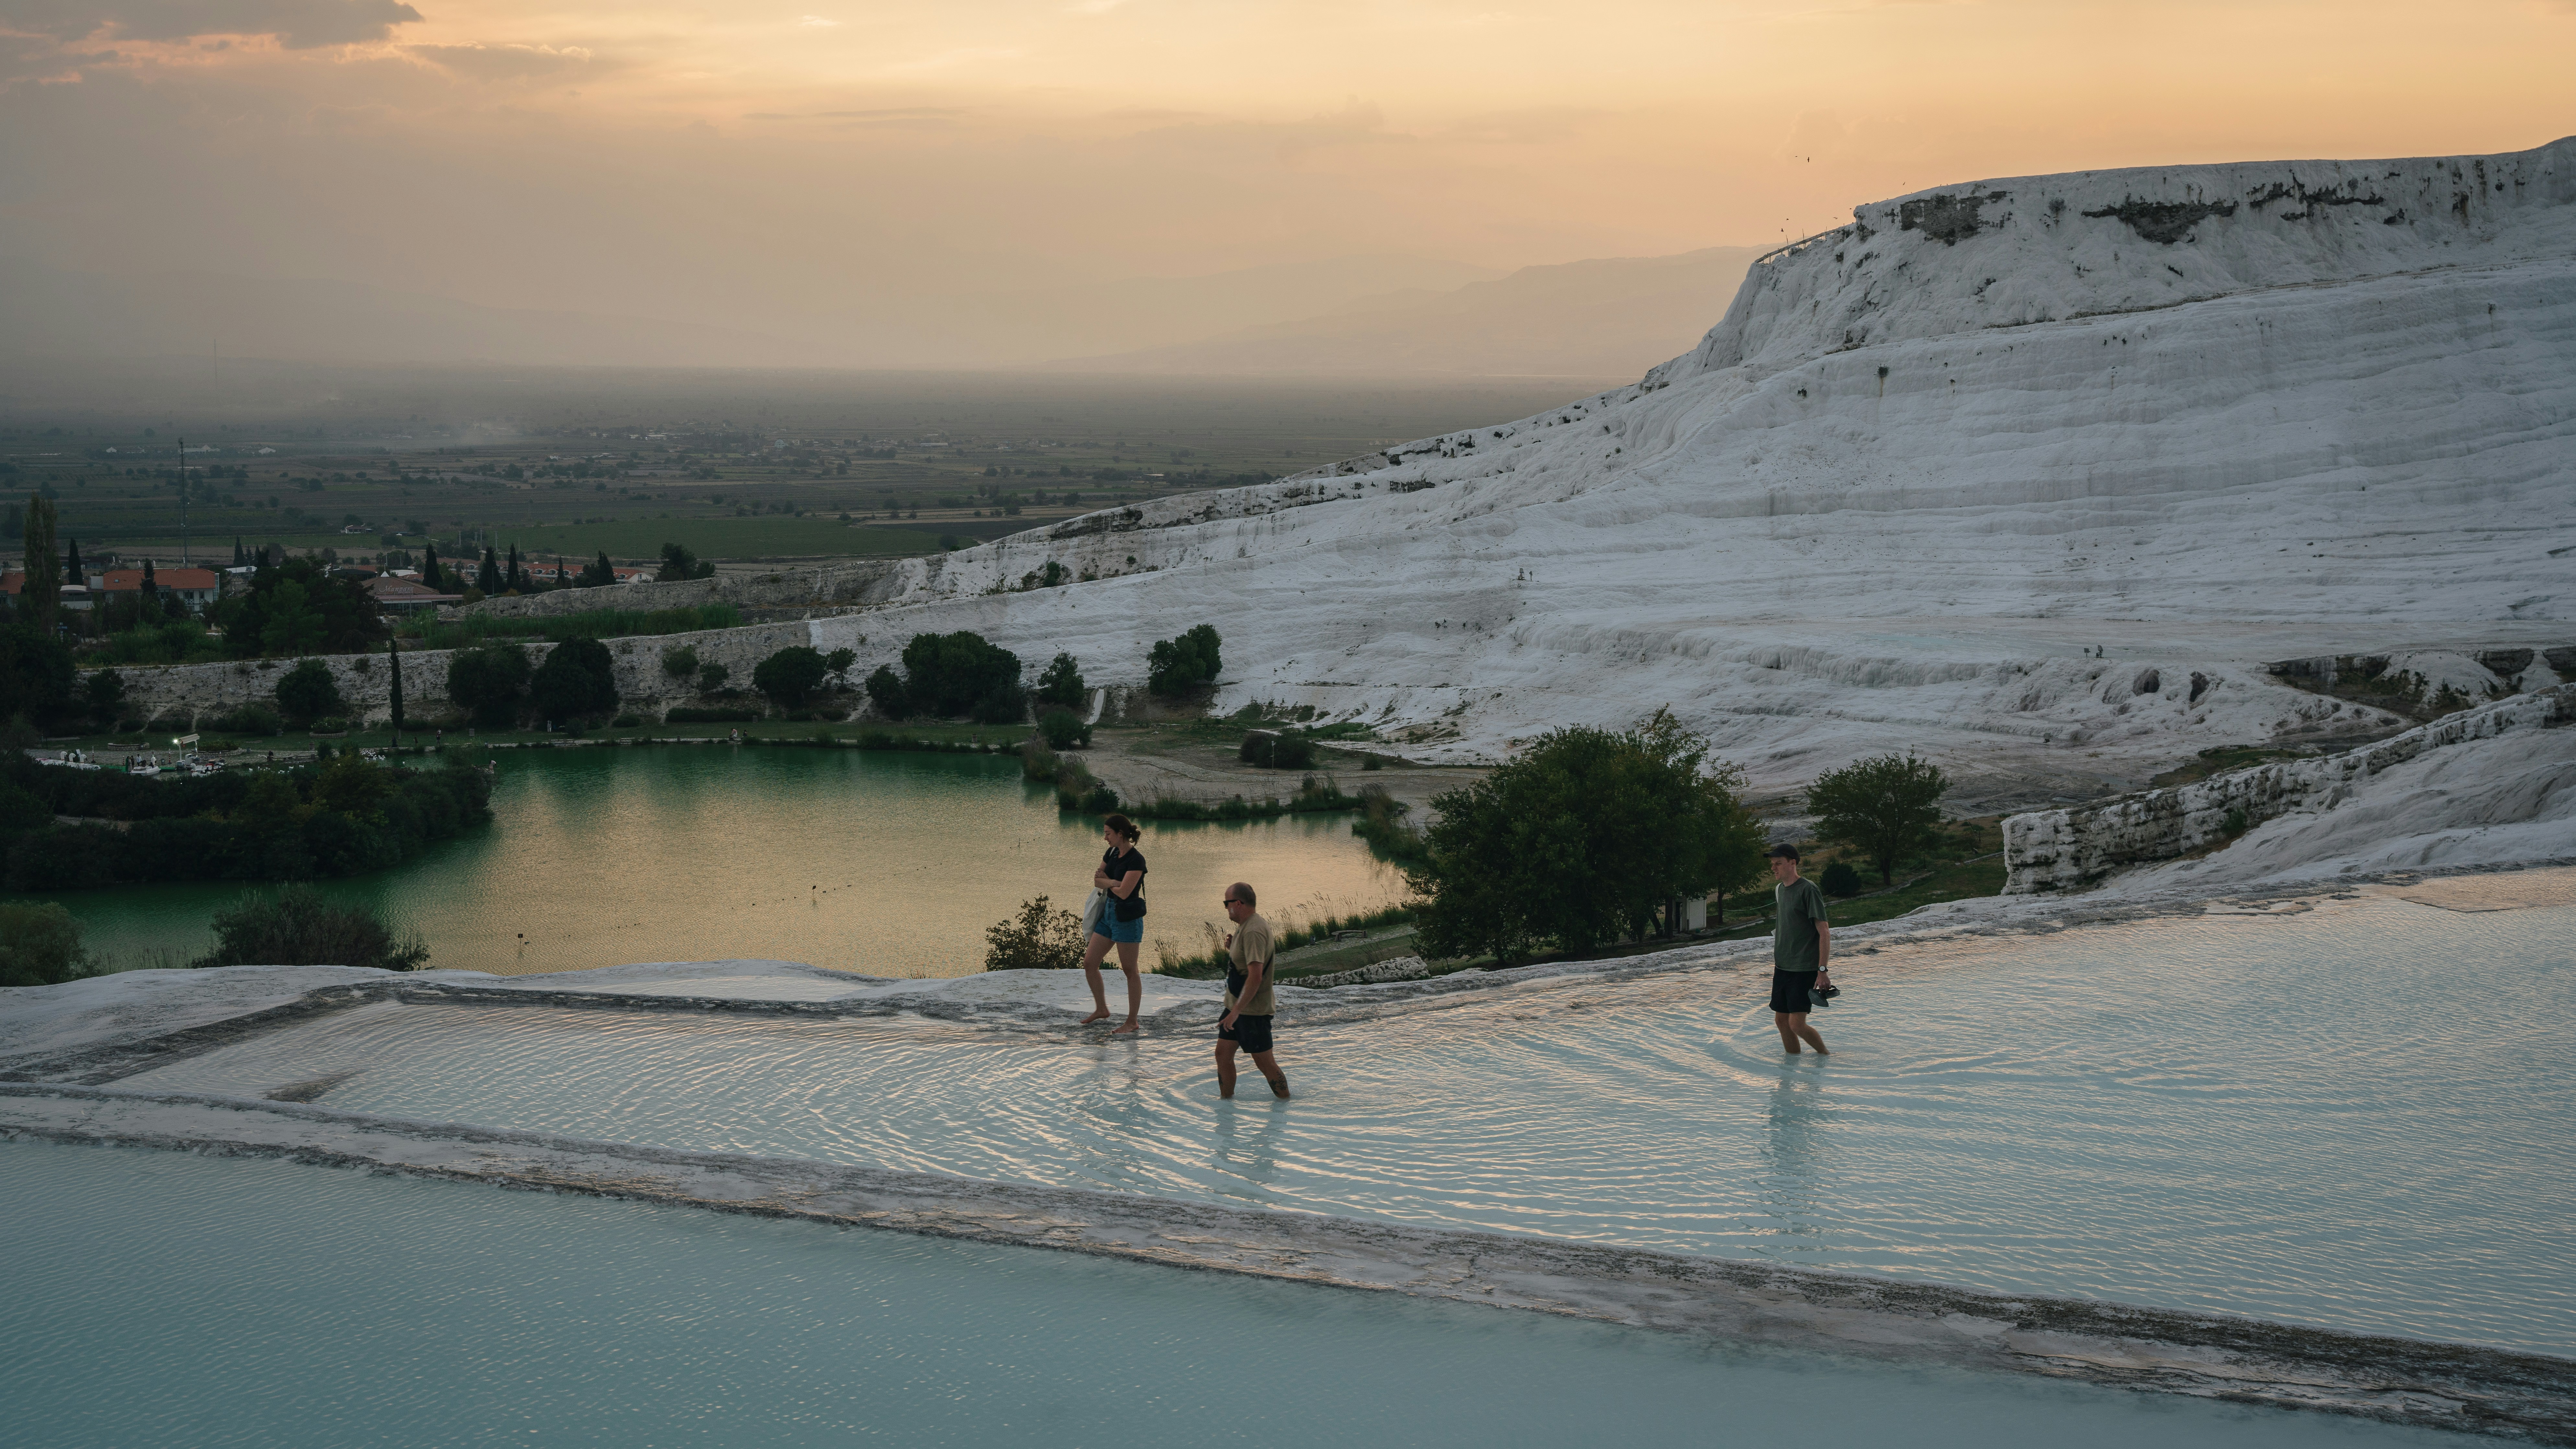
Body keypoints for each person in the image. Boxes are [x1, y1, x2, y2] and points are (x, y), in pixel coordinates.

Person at [1215, 882, 1290, 1099]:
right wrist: (1233, 949)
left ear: (1238, 903)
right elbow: (1245, 963)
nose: (1225, 907)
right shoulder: (1245, 926)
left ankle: (1285, 1104)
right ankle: (1226, 1104)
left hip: (1252, 1011)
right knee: (1222, 1055)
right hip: (1236, 1008)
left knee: (1265, 1063)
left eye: (1226, 902)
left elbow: (1256, 976)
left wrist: (1236, 1012)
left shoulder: (1254, 931)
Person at [1080, 813, 1149, 1033]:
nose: (1105, 838)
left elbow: (1125, 892)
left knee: (1130, 970)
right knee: (1090, 962)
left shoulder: (1136, 860)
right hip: (1108, 915)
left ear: (1121, 834)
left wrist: (1110, 883)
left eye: (1108, 833)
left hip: (1127, 919)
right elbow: (1097, 881)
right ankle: (1102, 1008)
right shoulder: (1112, 853)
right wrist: (1113, 882)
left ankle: (1132, 1021)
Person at [1766, 843, 1833, 1055]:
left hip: (1803, 967)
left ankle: (1825, 1057)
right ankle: (1790, 1068)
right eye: (1772, 864)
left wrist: (1822, 970)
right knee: (1781, 1021)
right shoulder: (1780, 890)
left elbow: (1824, 931)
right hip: (1783, 966)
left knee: (1796, 1024)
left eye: (1778, 863)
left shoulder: (1808, 889)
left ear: (1793, 863)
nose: (1773, 868)